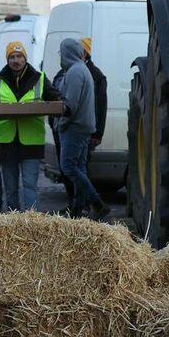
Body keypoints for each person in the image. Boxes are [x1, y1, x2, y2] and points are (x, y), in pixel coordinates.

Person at [0, 41, 61, 211]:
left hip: (31, 142)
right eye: (12, 57)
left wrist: (63, 105)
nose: (16, 60)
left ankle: (31, 223)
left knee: (30, 185)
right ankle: (14, 223)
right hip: (6, 142)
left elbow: (56, 97)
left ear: (25, 58)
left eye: (19, 56)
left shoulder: (40, 78)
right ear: (7, 60)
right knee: (11, 188)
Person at [55, 38, 109, 220]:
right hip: (84, 126)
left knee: (68, 167)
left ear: (67, 53)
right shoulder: (81, 69)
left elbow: (71, 105)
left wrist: (61, 124)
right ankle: (78, 206)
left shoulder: (75, 72)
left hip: (75, 127)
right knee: (79, 167)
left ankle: (97, 202)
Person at [83, 37, 112, 192]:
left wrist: (98, 133)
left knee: (82, 167)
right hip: (84, 129)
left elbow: (101, 106)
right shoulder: (79, 70)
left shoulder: (96, 75)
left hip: (88, 130)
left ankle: (89, 203)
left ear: (85, 53)